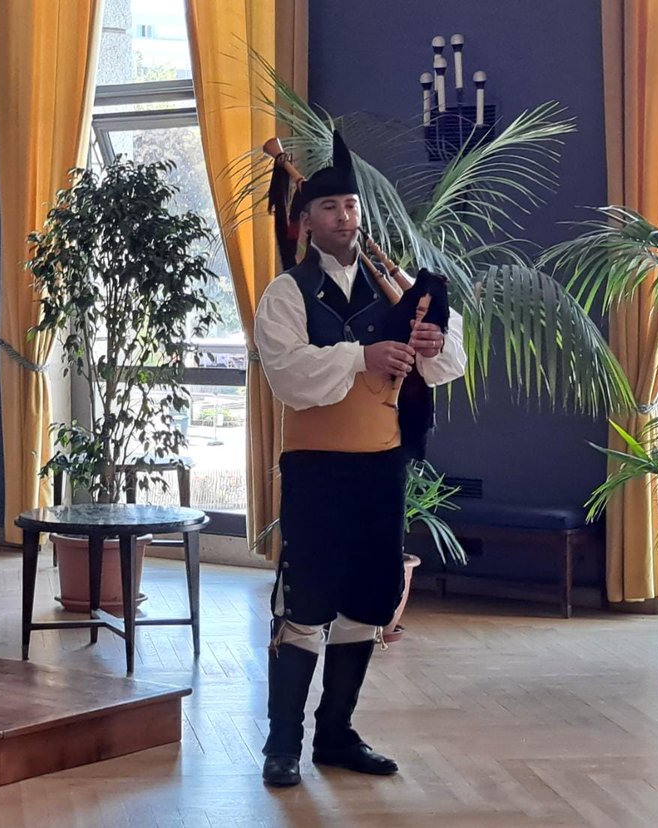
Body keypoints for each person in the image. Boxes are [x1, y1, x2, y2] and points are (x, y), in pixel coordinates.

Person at [253, 131, 466, 788]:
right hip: (317, 470)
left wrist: (431, 342)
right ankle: (282, 744)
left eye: (351, 206)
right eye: (330, 208)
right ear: (306, 221)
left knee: (366, 604)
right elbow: (288, 376)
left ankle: (336, 735)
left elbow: (447, 365)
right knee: (307, 603)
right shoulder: (288, 293)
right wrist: (359, 356)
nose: (345, 217)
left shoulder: (395, 287)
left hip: (381, 469)